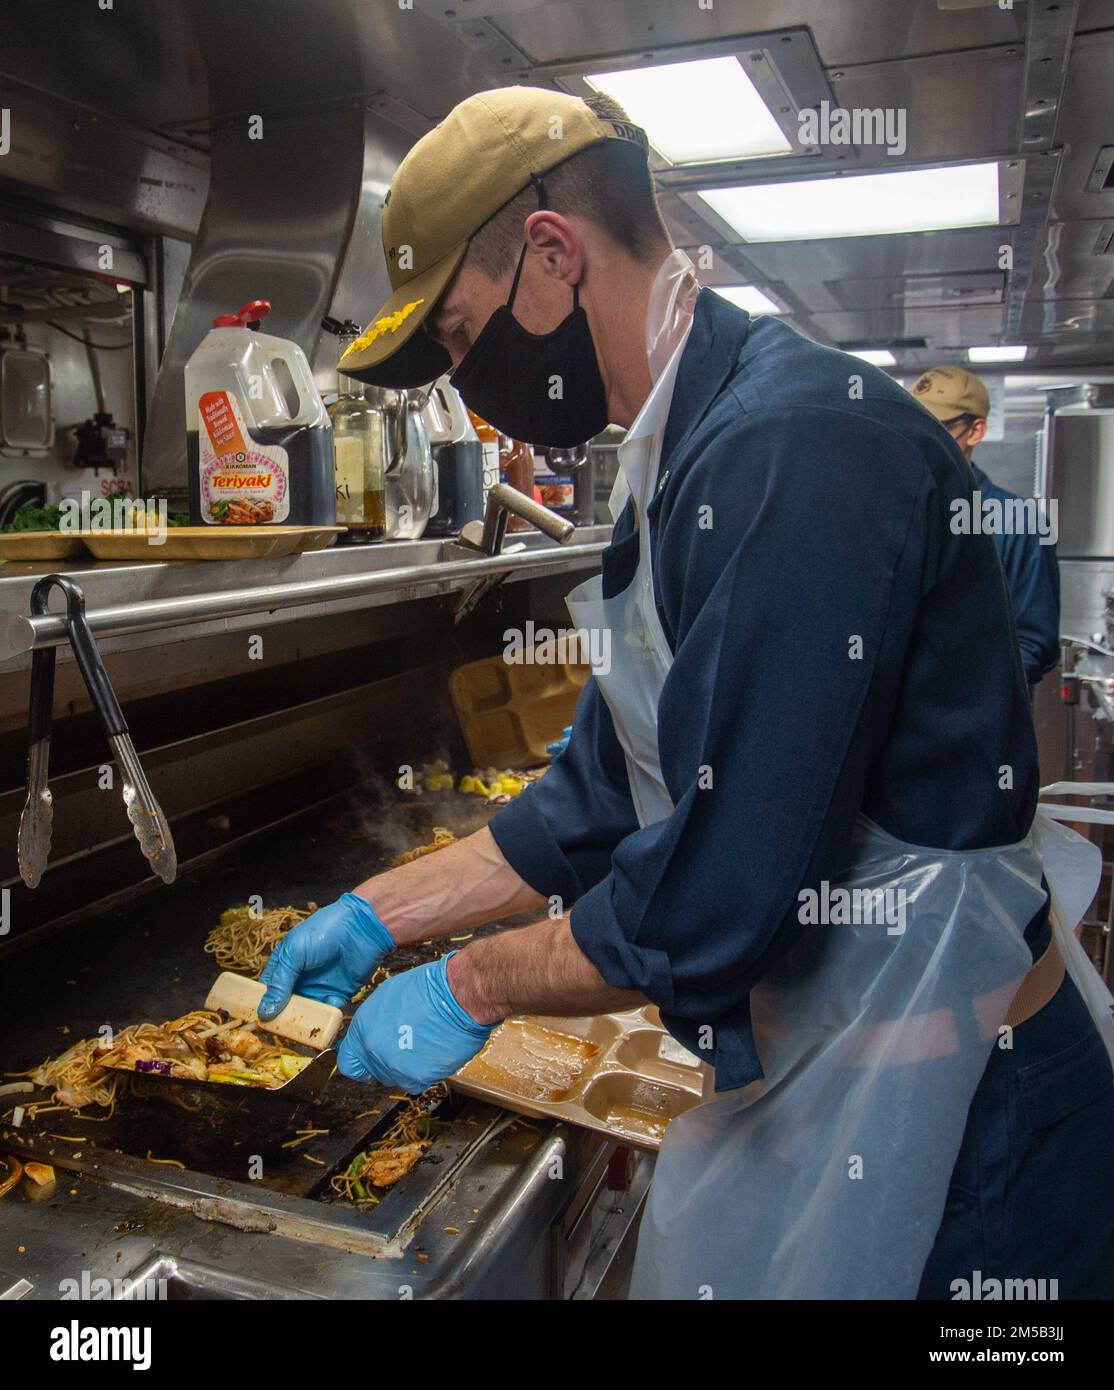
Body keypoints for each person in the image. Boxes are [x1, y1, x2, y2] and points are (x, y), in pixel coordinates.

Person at [258, 87, 1114, 1299]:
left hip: (973, 1121)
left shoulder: (793, 443)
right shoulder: (681, 455)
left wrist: (468, 983)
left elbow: (723, 896)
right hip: (846, 1075)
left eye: (456, 336)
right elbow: (592, 800)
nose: (466, 376)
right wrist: (379, 912)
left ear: (551, 257)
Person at [911, 365, 1060, 693]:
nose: (921, 438)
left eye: (938, 427)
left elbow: (1036, 642)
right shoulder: (900, 512)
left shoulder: (1021, 521)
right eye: (913, 424)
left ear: (975, 431)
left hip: (978, 724)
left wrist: (975, 705)